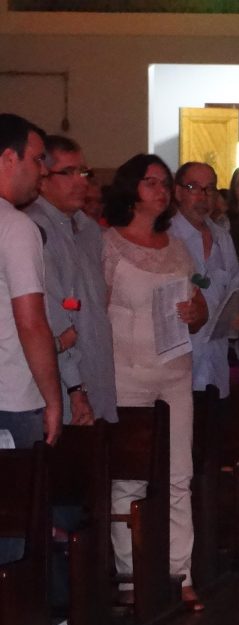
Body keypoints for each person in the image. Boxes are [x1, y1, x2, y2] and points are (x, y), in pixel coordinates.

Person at [103, 153, 209, 609]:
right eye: (151, 183)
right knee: (129, 478)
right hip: (125, 373)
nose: (161, 191)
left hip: (173, 371)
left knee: (178, 475)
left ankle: (179, 574)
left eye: (166, 184)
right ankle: (129, 577)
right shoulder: (107, 244)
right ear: (131, 188)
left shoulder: (177, 246)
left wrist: (194, 312)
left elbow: (200, 308)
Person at [26, 135, 117, 426]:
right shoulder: (34, 229)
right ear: (42, 179)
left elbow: (91, 308)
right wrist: (75, 387)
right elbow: (52, 315)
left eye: (84, 172)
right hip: (62, 388)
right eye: (68, 172)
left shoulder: (90, 230)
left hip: (96, 376)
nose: (81, 181)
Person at [0, 113, 61, 449]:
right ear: (10, 158)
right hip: (11, 400)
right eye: (38, 159)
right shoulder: (16, 227)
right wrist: (53, 400)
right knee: (20, 501)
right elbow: (31, 323)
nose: (44, 169)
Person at [169, 162, 239, 404]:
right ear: (178, 192)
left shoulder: (222, 237)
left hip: (215, 363)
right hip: (178, 366)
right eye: (194, 187)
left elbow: (235, 289)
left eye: (209, 189)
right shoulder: (167, 236)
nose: (202, 197)